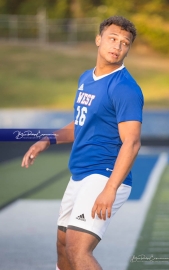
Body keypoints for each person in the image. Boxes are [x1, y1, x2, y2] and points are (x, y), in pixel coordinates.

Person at [22, 15, 144, 270]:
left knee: (78, 249)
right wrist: (46, 141)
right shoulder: (86, 78)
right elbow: (81, 124)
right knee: (63, 246)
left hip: (104, 174)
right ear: (98, 39)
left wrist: (110, 189)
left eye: (125, 43)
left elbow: (131, 143)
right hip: (80, 172)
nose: (118, 46)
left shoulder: (125, 88)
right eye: (112, 38)